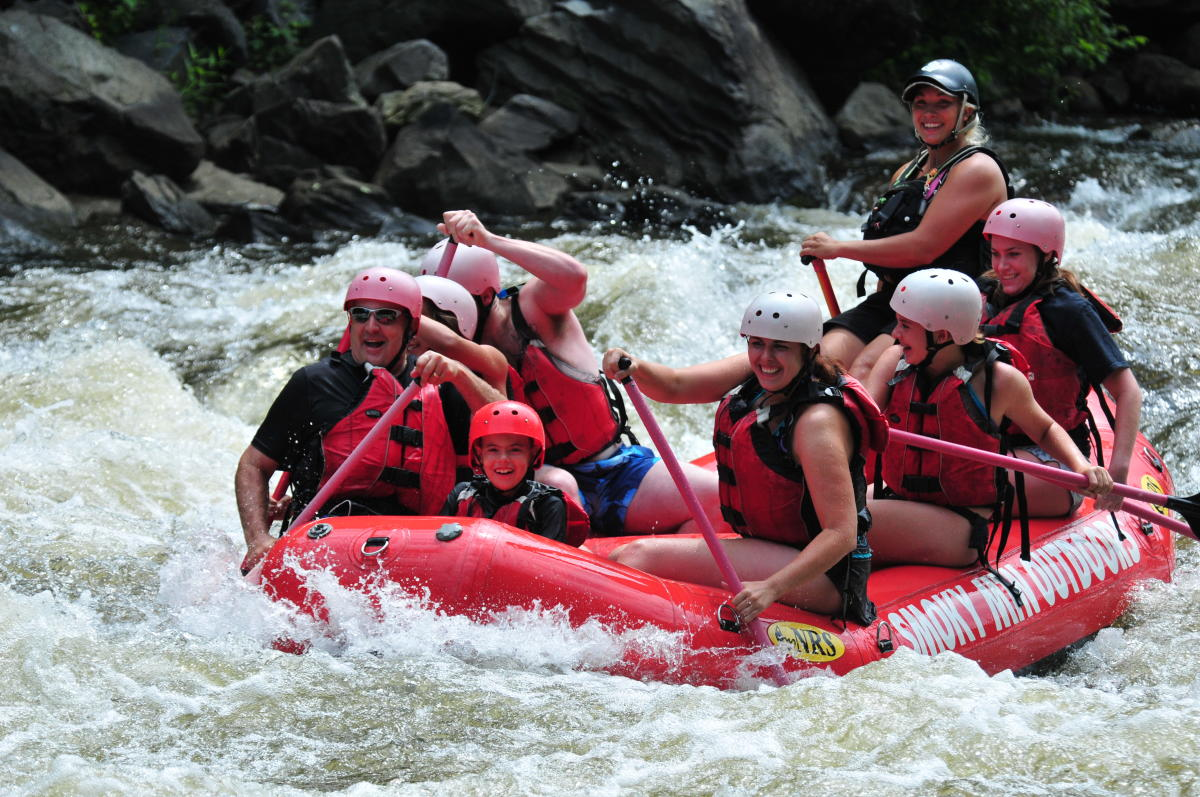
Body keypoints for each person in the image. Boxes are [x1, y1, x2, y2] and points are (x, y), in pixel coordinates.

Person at [428, 209, 725, 537]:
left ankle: (661, 575)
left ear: (485, 297)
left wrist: (488, 241)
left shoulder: (533, 309)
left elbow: (574, 277)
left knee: (717, 498)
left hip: (613, 467)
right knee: (560, 484)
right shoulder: (444, 347)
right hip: (527, 479)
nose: (446, 320)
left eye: (454, 305)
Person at [601, 291, 887, 624]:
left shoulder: (817, 423)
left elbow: (841, 534)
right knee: (627, 556)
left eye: (780, 346)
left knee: (636, 558)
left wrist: (770, 588)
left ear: (808, 351)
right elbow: (676, 387)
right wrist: (634, 366)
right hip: (773, 549)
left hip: (826, 578)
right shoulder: (760, 373)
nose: (766, 357)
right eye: (757, 343)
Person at [234, 267, 504, 572]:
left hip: (422, 544)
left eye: (386, 316)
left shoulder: (440, 382)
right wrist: (258, 539)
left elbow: (509, 426)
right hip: (327, 539)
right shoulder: (315, 382)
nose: (371, 327)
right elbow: (254, 465)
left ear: (411, 328)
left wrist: (461, 374)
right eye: (361, 315)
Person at [862, 269, 1114, 569]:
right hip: (903, 498)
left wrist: (1082, 466)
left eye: (905, 325)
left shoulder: (997, 381)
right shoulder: (895, 361)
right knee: (821, 503)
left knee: (840, 518)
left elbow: (1045, 430)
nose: (895, 334)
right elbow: (860, 416)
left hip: (960, 523)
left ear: (941, 335)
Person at [800, 58, 1011, 381]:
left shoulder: (977, 170)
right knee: (819, 362)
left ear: (966, 113)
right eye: (920, 104)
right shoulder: (908, 171)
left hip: (947, 310)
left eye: (942, 104)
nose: (929, 113)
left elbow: (922, 248)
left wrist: (838, 248)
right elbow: (893, 255)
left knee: (866, 368)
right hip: (895, 298)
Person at [980, 198, 1139, 514]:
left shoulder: (1068, 310)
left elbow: (1128, 391)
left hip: (1055, 457)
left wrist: (1118, 471)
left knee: (971, 485)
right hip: (992, 444)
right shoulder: (984, 294)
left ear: (1045, 254)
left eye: (1014, 255)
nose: (1001, 266)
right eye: (996, 254)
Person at [443, 400, 589, 546]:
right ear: (479, 455)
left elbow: (548, 566)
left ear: (532, 455)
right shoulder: (461, 494)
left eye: (515, 450)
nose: (503, 459)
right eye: (493, 450)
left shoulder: (548, 505)